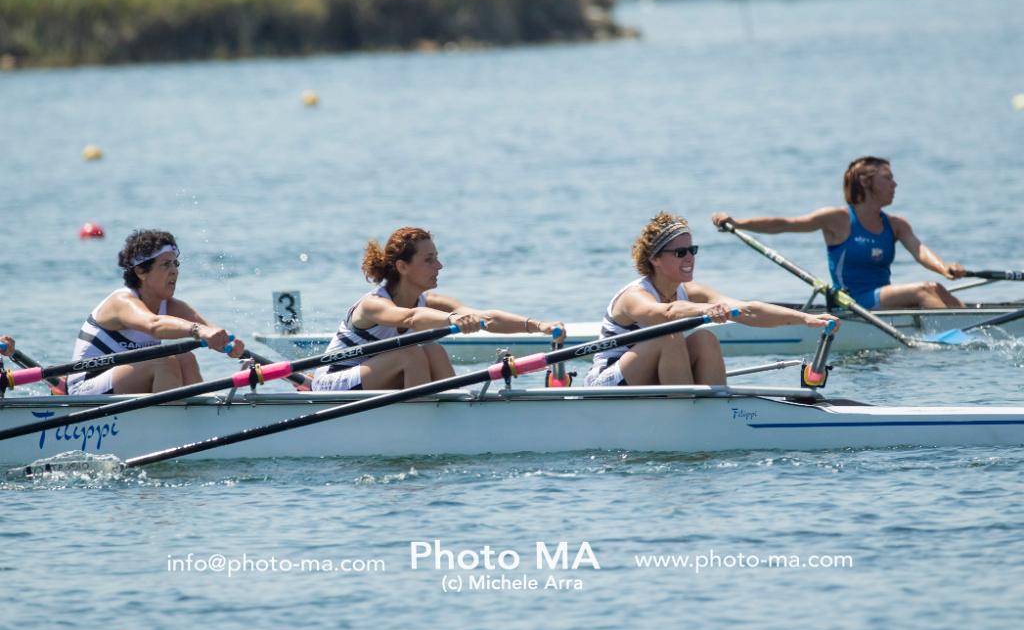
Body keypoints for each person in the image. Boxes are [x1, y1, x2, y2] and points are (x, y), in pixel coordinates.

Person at [584, 212, 838, 387]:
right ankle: (686, 413)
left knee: (705, 339)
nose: (689, 258)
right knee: (668, 335)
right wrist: (707, 309)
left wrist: (805, 318)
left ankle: (712, 409)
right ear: (655, 259)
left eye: (692, 250)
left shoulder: (691, 291)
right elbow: (667, 313)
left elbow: (748, 309)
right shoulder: (634, 296)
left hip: (646, 379)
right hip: (607, 382)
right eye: (680, 252)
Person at [312, 227, 565, 391]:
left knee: (433, 350)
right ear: (402, 267)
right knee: (411, 354)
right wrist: (453, 319)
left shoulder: (430, 302)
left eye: (436, 257)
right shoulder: (373, 304)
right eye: (429, 260)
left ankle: (452, 413)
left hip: (372, 377)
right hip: (333, 380)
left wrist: (539, 326)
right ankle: (422, 427)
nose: (439, 266)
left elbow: (485, 317)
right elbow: (411, 317)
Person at [711, 156, 966, 309]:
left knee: (938, 289)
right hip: (852, 301)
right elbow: (785, 223)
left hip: (882, 298)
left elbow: (920, 251)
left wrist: (944, 267)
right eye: (888, 178)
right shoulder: (838, 219)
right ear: (866, 182)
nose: (895, 184)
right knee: (927, 289)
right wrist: (739, 223)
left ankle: (972, 328)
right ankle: (962, 340)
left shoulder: (897, 224)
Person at [67, 230, 245, 395]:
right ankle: (172, 417)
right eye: (166, 264)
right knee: (164, 362)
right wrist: (199, 331)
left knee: (186, 358)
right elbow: (154, 325)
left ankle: (201, 414)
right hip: (85, 388)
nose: (174, 271)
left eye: (175, 264)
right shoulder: (121, 302)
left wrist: (230, 343)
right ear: (141, 271)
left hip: (123, 383)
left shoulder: (172, 306)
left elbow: (213, 331)